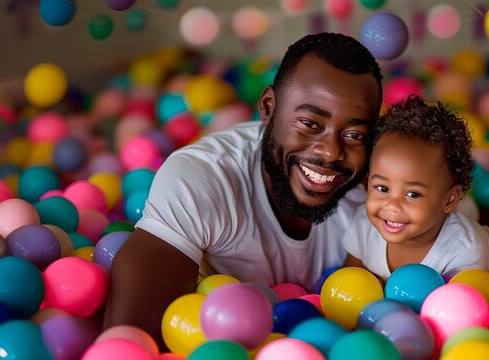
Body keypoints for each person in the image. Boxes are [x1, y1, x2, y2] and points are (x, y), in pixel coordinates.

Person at [104, 32, 383, 347]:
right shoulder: (205, 177)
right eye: (309, 123)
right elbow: (127, 341)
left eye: (354, 134)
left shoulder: (378, 195)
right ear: (268, 108)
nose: (331, 152)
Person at [343, 95, 489, 296]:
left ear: (450, 200)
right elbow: (349, 280)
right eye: (382, 188)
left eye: (413, 194)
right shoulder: (363, 224)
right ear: (368, 182)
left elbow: (456, 314)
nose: (392, 205)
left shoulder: (465, 254)